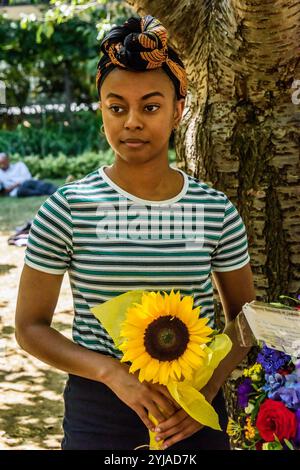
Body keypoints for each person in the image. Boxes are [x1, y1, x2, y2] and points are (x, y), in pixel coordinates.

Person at [15, 15, 256, 450]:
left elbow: (244, 317)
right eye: (116, 106)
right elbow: (30, 328)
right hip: (100, 413)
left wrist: (206, 392)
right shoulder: (67, 208)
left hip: (193, 415)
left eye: (150, 106)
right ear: (101, 109)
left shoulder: (215, 209)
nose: (131, 122)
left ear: (178, 109)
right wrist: (112, 373)